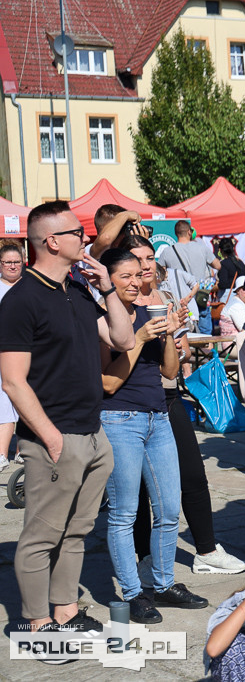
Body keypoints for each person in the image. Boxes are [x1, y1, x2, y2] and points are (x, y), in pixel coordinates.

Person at [0, 201, 134, 637]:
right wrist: (51, 438)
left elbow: (123, 338)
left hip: (93, 432)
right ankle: (38, 622)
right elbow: (13, 382)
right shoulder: (21, 300)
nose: (86, 238)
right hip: (54, 437)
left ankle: (65, 610)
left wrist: (108, 289)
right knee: (42, 536)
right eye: (78, 231)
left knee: (75, 533)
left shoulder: (76, 289)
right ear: (52, 241)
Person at [121, 234, 245, 578]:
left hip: (168, 393)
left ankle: (206, 550)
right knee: (142, 487)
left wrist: (178, 343)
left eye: (149, 258)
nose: (145, 265)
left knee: (192, 472)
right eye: (137, 259)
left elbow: (184, 353)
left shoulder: (167, 296)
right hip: (132, 400)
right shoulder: (121, 302)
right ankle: (144, 556)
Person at [98, 248, 210, 623]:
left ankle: (161, 584)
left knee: (168, 509)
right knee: (124, 513)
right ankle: (131, 594)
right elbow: (107, 383)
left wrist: (169, 335)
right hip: (119, 420)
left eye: (137, 274)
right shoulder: (100, 319)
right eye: (124, 276)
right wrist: (141, 336)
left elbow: (169, 371)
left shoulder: (151, 312)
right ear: (108, 281)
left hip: (158, 417)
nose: (134, 282)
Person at [158, 220, 220, 334]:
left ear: (176, 233)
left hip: (180, 298)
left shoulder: (167, 251)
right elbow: (218, 265)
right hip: (201, 295)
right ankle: (207, 351)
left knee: (182, 332)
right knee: (205, 333)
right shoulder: (202, 248)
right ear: (189, 232)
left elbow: (159, 273)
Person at [0, 242, 23, 471]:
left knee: (27, 399)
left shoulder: (30, 287)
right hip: (2, 353)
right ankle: (1, 454)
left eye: (17, 262)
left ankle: (22, 451)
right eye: (8, 262)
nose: (13, 266)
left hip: (29, 353)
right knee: (4, 403)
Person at [215, 237, 245, 302]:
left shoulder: (223, 264)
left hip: (228, 297)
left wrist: (213, 288)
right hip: (241, 296)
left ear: (220, 250)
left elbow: (223, 284)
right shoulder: (240, 263)